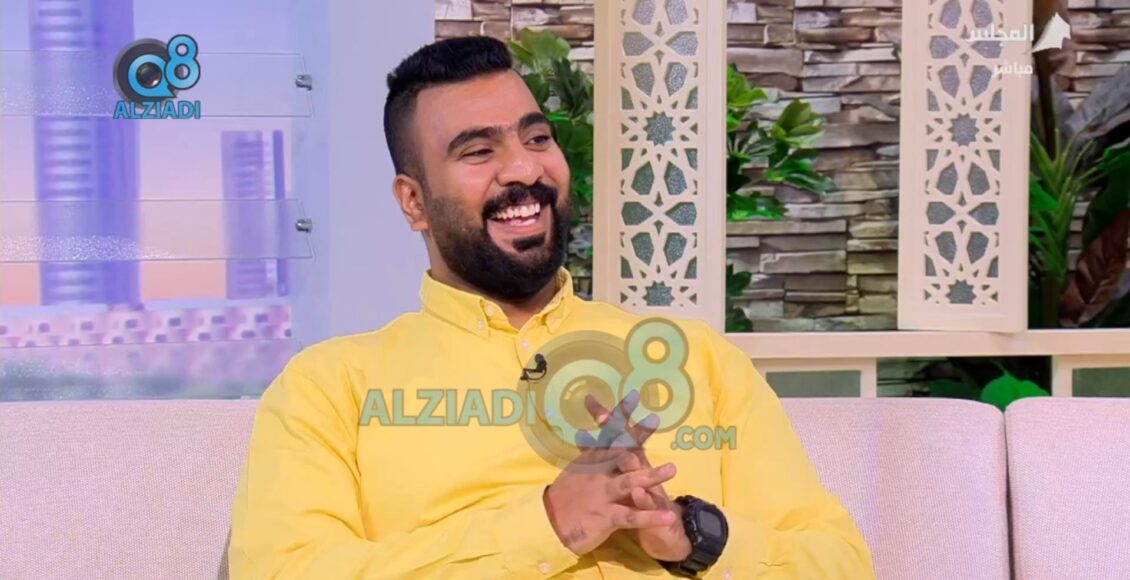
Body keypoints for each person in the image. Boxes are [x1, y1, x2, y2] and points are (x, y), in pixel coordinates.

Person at [228, 36, 875, 579]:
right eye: (478, 151)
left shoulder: (696, 357)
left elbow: (840, 563)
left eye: (536, 138)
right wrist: (545, 525)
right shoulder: (331, 388)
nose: (524, 169)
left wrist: (694, 538)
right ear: (414, 201)